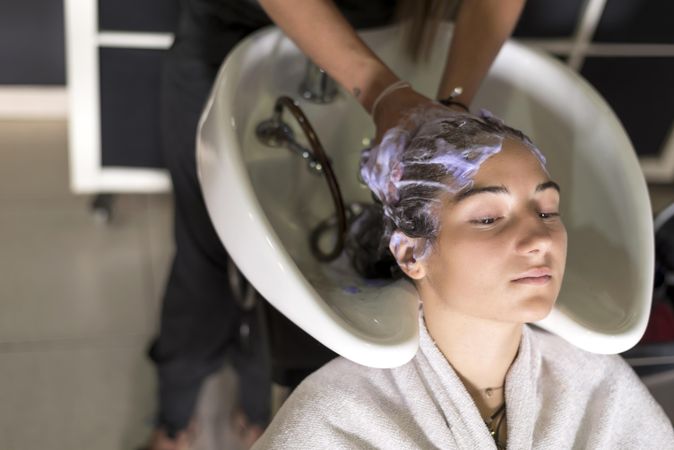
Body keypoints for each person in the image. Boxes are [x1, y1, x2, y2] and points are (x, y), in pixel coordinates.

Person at [146, 0, 528, 448]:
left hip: (388, 41)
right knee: (206, 256)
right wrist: (380, 91)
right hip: (237, 35)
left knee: (286, 280)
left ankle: (258, 410)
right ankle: (174, 415)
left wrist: (451, 105)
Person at [251, 108, 674, 449]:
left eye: (547, 211)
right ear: (412, 252)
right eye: (489, 217)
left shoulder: (599, 386)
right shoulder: (334, 420)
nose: (539, 239)